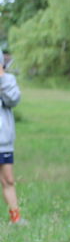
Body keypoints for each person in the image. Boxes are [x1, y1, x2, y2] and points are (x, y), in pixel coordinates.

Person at [0, 51, 23, 224]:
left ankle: (15, 218)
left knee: (8, 179)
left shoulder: (8, 81)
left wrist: (1, 79)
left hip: (3, 141)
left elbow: (13, 99)